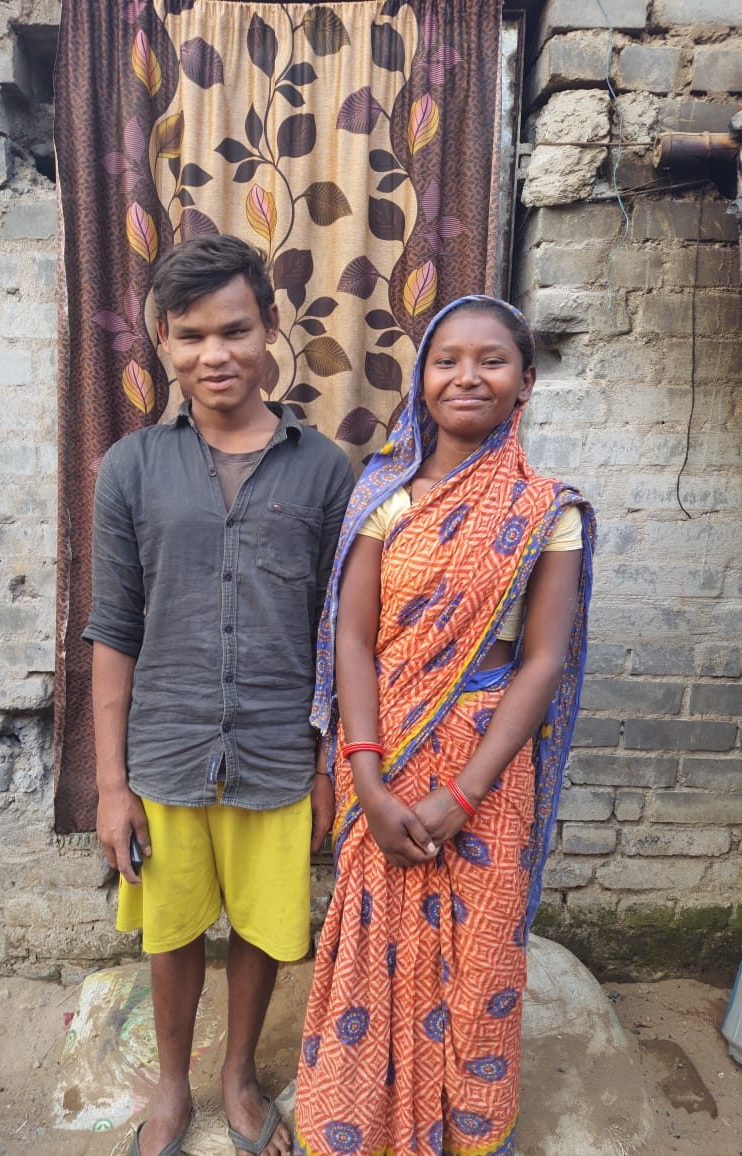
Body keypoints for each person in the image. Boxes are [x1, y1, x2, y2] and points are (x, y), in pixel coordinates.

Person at [294, 295, 595, 1156]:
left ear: (525, 384)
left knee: (478, 962)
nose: (468, 375)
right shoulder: (383, 497)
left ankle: (462, 1132)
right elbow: (349, 637)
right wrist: (364, 774)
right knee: (365, 950)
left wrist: (464, 792)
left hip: (488, 771)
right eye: (446, 360)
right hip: (382, 750)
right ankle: (359, 1127)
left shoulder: (548, 510)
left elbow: (540, 661)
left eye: (491, 361)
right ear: (421, 380)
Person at [84, 235, 354, 1156]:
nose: (215, 355)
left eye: (235, 330)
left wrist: (329, 765)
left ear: (270, 327)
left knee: (262, 929)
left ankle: (238, 1077)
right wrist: (111, 785)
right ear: (162, 339)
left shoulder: (324, 471)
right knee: (170, 928)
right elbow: (113, 631)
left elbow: (338, 638)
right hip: (165, 748)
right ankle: (172, 1088)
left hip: (280, 750)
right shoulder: (130, 470)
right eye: (191, 335)